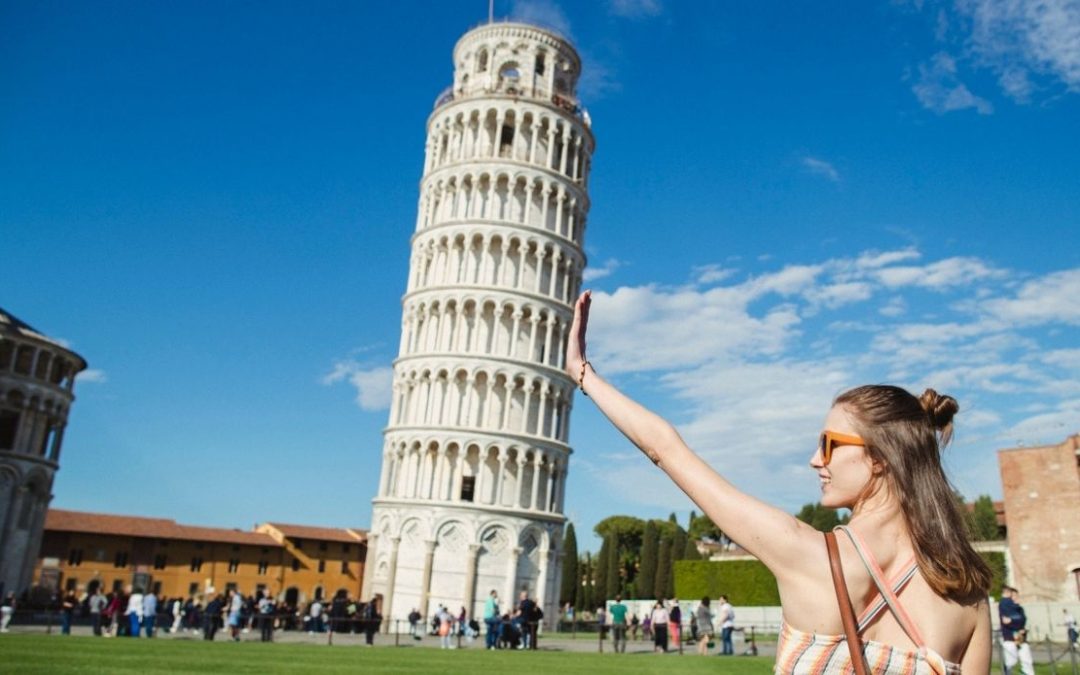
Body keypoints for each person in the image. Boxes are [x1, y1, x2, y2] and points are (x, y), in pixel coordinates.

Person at [566, 290, 993, 673]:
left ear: (880, 457)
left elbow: (667, 450)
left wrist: (583, 373)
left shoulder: (806, 554)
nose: (814, 460)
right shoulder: (969, 594)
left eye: (828, 444)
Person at [999, 586, 1034, 675]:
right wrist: (1014, 622)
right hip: (1010, 639)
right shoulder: (1004, 606)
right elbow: (1006, 622)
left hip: (1021, 639)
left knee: (1027, 661)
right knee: (1011, 661)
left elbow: (1022, 620)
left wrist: (1012, 621)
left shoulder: (1019, 609)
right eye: (1014, 596)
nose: (1016, 598)